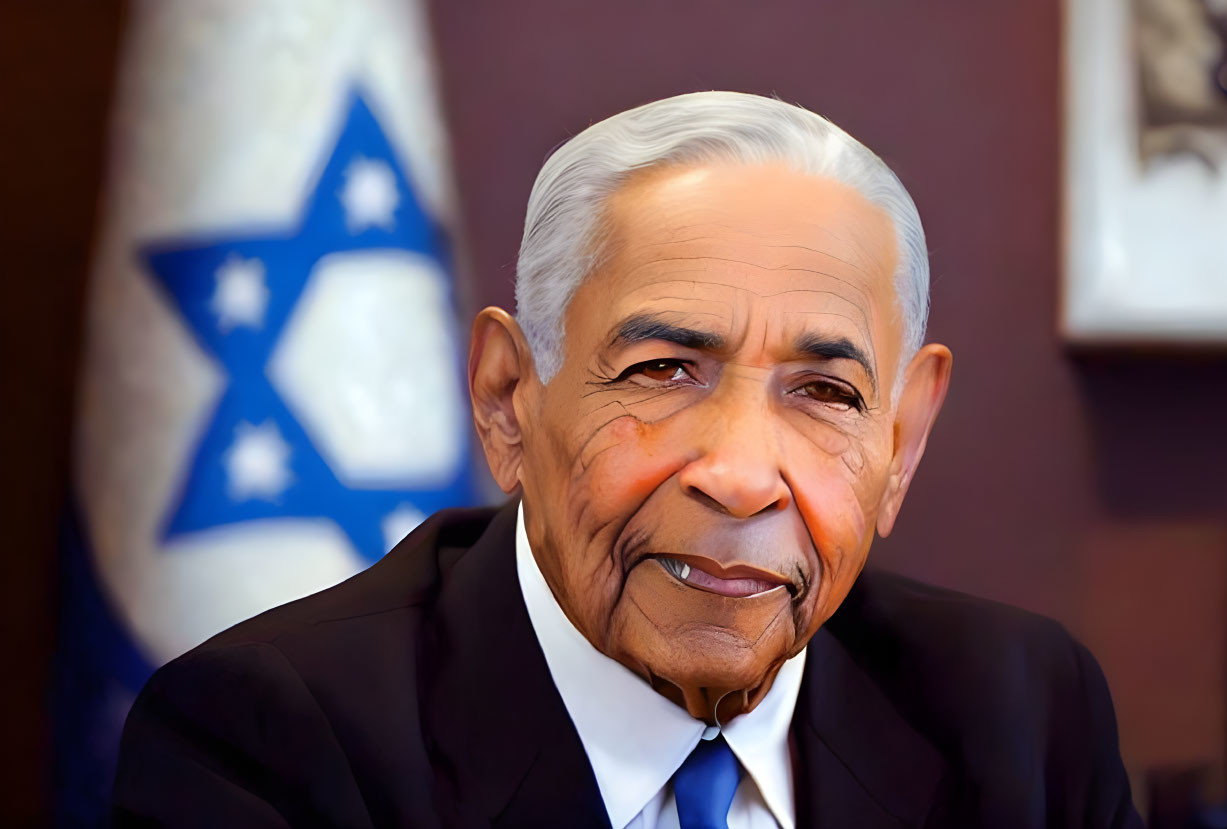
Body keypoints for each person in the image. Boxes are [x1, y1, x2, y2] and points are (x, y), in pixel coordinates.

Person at [112, 91, 1143, 828]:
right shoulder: (271, 743)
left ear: (900, 440)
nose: (739, 475)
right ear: (506, 399)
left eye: (824, 393)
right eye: (661, 371)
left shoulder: (1021, 712)